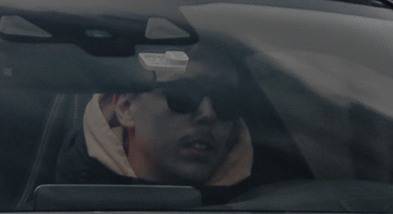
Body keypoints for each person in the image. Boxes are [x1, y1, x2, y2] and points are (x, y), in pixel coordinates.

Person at [59, 42, 256, 194]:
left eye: (226, 100)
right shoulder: (57, 206)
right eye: (185, 95)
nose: (208, 114)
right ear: (126, 108)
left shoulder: (267, 210)